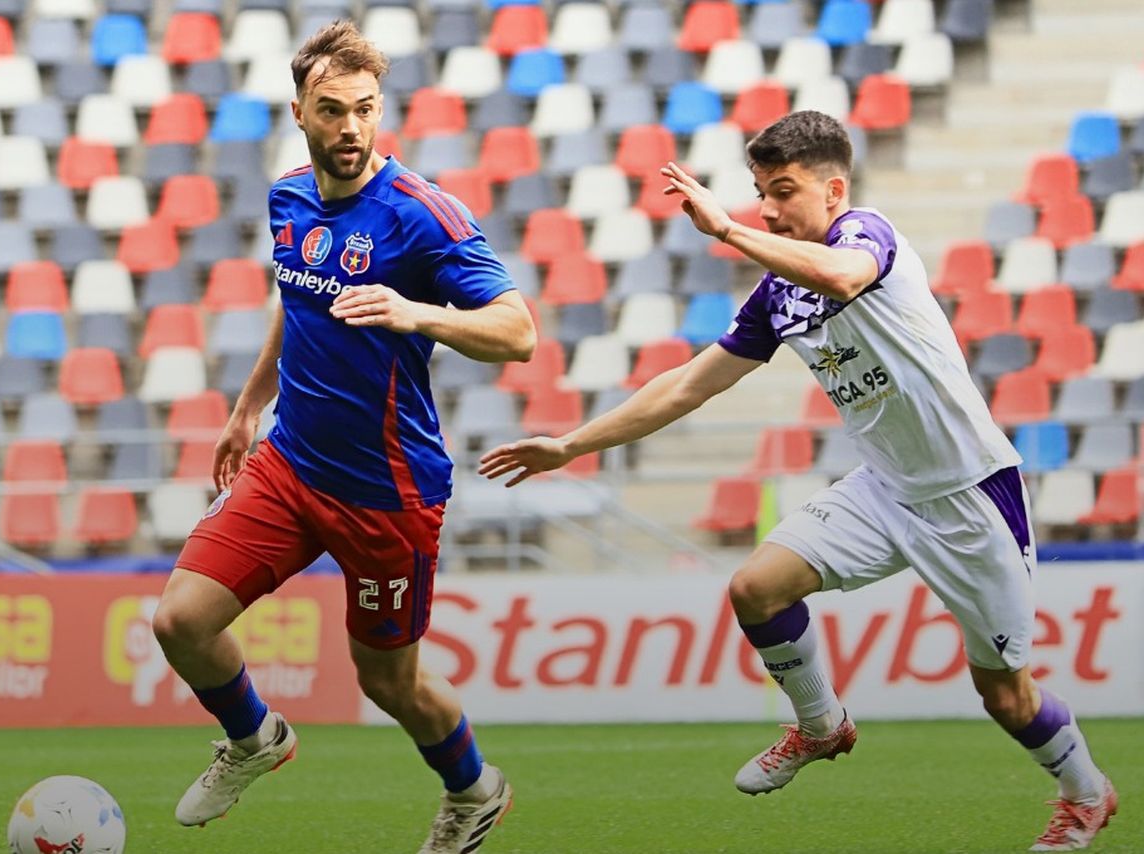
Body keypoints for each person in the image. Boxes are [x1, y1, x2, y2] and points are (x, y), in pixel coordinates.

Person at [478, 110, 1117, 852]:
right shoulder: (779, 293)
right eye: (759, 192)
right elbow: (688, 385)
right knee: (756, 589)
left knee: (1005, 695)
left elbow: (844, 276)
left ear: (833, 190)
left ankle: (1085, 794)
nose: (769, 208)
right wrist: (569, 443)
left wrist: (726, 231)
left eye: (783, 191)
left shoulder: (867, 237)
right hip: (882, 487)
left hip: (969, 494)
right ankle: (820, 724)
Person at [150, 21, 534, 854]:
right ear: (300, 114)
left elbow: (519, 332)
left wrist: (419, 312)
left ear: (380, 110)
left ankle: (475, 790)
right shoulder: (288, 197)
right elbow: (299, 301)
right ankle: (255, 739)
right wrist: (248, 407)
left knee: (387, 681)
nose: (352, 128)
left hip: (389, 492)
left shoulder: (422, 216)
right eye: (333, 110)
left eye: (365, 109)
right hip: (291, 465)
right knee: (179, 621)